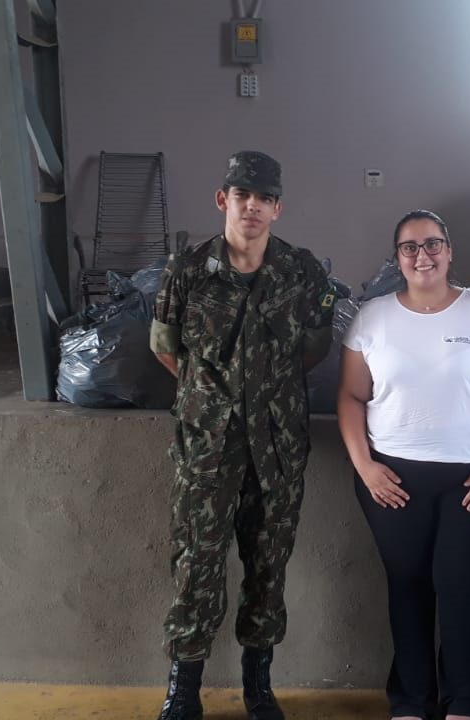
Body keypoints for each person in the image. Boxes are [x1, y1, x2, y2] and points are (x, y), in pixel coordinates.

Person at [148, 150, 335, 720]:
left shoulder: (303, 272)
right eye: (240, 195)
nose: (250, 206)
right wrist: (216, 399)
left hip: (276, 448)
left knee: (268, 563)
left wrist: (263, 396)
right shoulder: (185, 270)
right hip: (208, 449)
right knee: (197, 562)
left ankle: (259, 686)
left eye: (262, 198)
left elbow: (316, 347)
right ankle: (184, 690)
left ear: (277, 207)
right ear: (222, 199)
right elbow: (164, 347)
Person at [337, 210, 470, 720]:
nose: (423, 255)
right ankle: (412, 699)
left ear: (450, 251)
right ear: (397, 258)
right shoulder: (372, 317)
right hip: (392, 478)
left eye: (433, 244)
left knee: (462, 587)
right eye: (410, 247)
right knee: (408, 587)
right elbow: (352, 398)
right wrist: (365, 468)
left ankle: (463, 699)